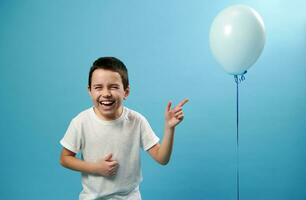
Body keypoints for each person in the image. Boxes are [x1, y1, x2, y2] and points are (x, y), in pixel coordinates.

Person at [59, 57, 188, 200]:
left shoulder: (137, 121)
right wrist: (96, 168)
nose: (106, 93)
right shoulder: (80, 122)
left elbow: (162, 158)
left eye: (113, 87)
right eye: (98, 87)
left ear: (126, 92)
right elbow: (65, 158)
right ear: (89, 91)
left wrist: (169, 128)